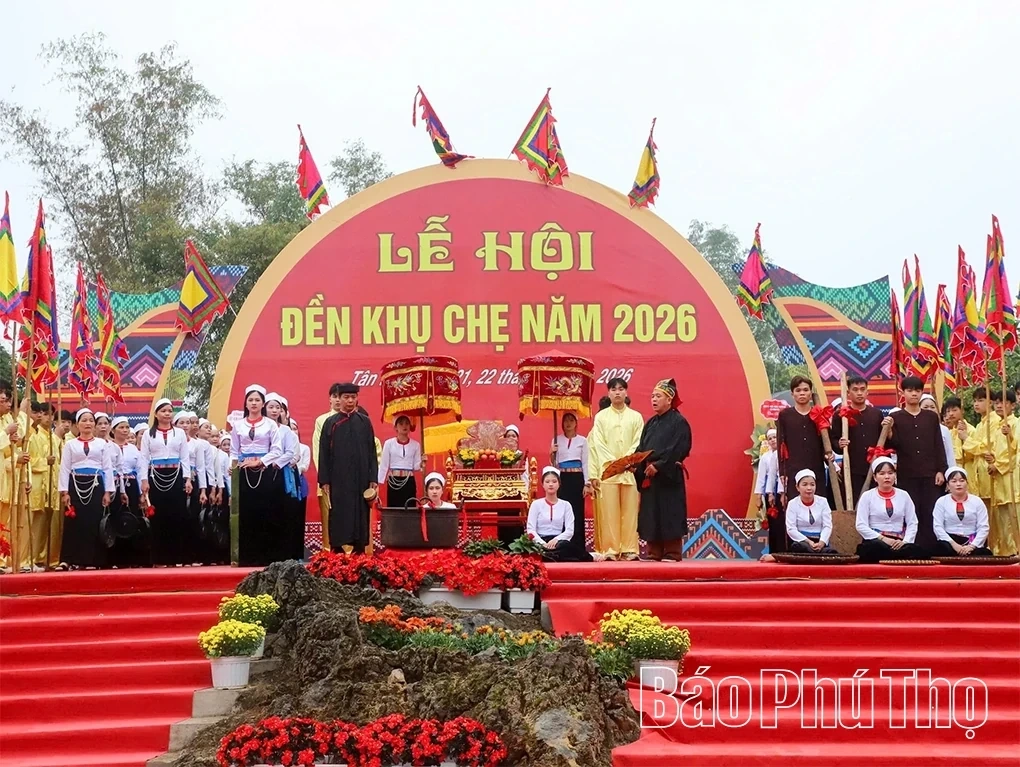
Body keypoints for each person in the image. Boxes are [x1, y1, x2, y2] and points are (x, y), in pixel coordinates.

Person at [230, 384, 289, 566]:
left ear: (262, 403)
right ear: (246, 404)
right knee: (246, 513)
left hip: (265, 471)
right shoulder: (238, 425)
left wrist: (261, 461)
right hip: (244, 472)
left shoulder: (271, 424)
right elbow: (233, 450)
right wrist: (233, 465)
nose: (254, 403)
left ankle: (267, 556)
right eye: (251, 400)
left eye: (257, 400)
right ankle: (247, 557)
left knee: (267, 511)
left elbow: (277, 449)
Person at [635, 378, 693, 562]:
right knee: (651, 513)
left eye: (658, 396)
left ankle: (672, 553)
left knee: (670, 513)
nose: (654, 399)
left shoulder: (679, 422)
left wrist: (658, 466)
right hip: (649, 477)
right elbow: (642, 447)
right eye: (652, 396)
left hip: (669, 477)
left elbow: (678, 448)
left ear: (669, 399)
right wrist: (634, 462)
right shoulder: (650, 423)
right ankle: (654, 552)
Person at [887, 377, 947, 551]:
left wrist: (941, 470)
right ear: (902, 393)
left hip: (930, 472)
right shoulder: (895, 417)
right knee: (909, 511)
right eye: (910, 390)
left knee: (930, 511)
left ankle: (931, 549)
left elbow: (938, 445)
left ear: (921, 392)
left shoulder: (930, 417)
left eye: (917, 390)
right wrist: (890, 432)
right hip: (907, 472)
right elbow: (893, 445)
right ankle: (910, 548)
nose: (914, 394)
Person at [587, 378, 644, 561]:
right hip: (609, 472)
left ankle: (629, 549)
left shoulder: (636, 417)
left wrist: (627, 461)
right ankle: (611, 549)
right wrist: (611, 464)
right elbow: (598, 444)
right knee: (609, 512)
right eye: (613, 389)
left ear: (626, 392)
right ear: (608, 393)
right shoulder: (601, 417)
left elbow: (638, 442)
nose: (617, 392)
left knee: (630, 512)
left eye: (621, 389)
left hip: (629, 471)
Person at [318, 382, 378, 554]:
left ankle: (359, 551)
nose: (350, 400)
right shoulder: (331, 423)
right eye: (346, 397)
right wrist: (325, 481)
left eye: (353, 397)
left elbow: (372, 451)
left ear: (357, 398)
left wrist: (373, 478)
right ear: (339, 398)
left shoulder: (365, 422)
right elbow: (323, 453)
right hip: (339, 480)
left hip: (361, 480)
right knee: (339, 514)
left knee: (360, 514)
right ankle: (336, 551)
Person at [775, 375, 827, 555]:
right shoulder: (785, 416)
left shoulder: (819, 414)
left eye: (805, 390)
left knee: (818, 507)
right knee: (793, 509)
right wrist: (783, 473)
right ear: (792, 394)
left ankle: (820, 547)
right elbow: (781, 446)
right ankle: (794, 549)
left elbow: (826, 442)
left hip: (816, 469)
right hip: (793, 469)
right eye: (798, 390)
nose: (802, 393)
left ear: (811, 393)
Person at [58, 409, 115, 569]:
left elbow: (107, 467)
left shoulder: (102, 444)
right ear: (77, 424)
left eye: (91, 420)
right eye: (84, 420)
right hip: (75, 484)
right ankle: (68, 559)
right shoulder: (70, 445)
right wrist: (64, 491)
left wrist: (108, 491)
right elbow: (65, 468)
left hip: (96, 484)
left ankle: (96, 559)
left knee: (95, 521)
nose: (88, 423)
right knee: (74, 522)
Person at [962, 388, 1015, 555]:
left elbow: (986, 448)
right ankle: (993, 548)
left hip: (992, 472)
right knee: (988, 517)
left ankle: (1005, 550)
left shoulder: (995, 422)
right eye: (975, 401)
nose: (976, 404)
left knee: (999, 516)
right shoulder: (980, 424)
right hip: (980, 475)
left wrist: (966, 439)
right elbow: (972, 451)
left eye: (981, 400)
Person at [141, 398, 192, 567]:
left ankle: (176, 558)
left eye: (170, 411)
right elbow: (143, 458)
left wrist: (187, 479)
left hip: (175, 475)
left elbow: (184, 457)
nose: (167, 414)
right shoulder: (148, 434)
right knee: (158, 518)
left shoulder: (179, 433)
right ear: (156, 414)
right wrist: (144, 480)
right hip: (156, 476)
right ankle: (158, 558)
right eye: (163, 411)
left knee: (176, 516)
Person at [855, 455, 928, 562]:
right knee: (872, 549)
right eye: (882, 473)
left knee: (918, 551)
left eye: (890, 473)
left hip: (899, 542)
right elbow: (861, 525)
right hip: (877, 541)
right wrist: (883, 539)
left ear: (895, 475)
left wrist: (905, 541)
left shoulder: (904, 495)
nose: (887, 477)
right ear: (875, 477)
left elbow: (912, 522)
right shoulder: (867, 496)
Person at [830, 375, 889, 502]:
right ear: (848, 393)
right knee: (853, 503)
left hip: (873, 468)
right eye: (855, 390)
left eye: (862, 389)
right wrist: (839, 444)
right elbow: (833, 440)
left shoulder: (876, 414)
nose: (859, 393)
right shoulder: (840, 416)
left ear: (867, 392)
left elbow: (884, 442)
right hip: (851, 469)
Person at [550, 411, 592, 560]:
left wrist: (587, 483)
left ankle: (579, 548)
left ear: (576, 423)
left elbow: (586, 462)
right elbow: (554, 465)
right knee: (563, 512)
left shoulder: (583, 441)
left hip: (577, 478)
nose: (568, 423)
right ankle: (562, 547)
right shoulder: (556, 439)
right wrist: (552, 453)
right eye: (565, 420)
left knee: (577, 512)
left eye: (571, 420)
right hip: (563, 479)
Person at [266, 393, 303, 561]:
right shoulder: (259, 428)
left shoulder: (286, 430)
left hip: (281, 471)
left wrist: (274, 462)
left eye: (278, 408)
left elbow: (293, 454)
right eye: (271, 407)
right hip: (260, 472)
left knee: (283, 511)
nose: (274, 411)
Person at [107, 415, 148, 568]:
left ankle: (133, 557)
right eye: (121, 427)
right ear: (113, 430)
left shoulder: (134, 450)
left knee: (132, 519)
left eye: (126, 427)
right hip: (115, 484)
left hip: (131, 484)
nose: (124, 430)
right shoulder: (108, 447)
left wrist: (142, 493)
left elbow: (140, 470)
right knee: (116, 518)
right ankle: (115, 558)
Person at [27, 402, 62, 571]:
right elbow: (28, 461)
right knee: (38, 525)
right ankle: (34, 558)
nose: (48, 418)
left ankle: (51, 559)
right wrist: (44, 462)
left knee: (53, 526)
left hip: (54, 486)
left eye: (51, 415)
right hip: (38, 485)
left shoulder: (56, 439)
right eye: (45, 414)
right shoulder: (33, 436)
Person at [312, 384, 347, 552]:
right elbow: (319, 451)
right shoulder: (322, 420)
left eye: (341, 396)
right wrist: (324, 477)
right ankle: (328, 555)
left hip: (347, 481)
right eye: (335, 396)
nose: (338, 400)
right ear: (330, 399)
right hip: (328, 480)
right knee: (329, 519)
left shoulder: (353, 419)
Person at [932, 467, 992, 557]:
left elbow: (983, 527)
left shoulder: (977, 501)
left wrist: (972, 546)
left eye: (962, 480)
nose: (958, 484)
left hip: (972, 541)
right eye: (954, 481)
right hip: (950, 542)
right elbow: (938, 527)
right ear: (948, 485)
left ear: (967, 483)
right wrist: (954, 545)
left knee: (984, 554)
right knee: (941, 548)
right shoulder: (941, 502)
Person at [525, 467, 579, 561]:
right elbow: (531, 529)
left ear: (559, 484)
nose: (551, 484)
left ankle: (552, 557)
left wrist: (556, 540)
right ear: (542, 484)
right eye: (547, 481)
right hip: (540, 541)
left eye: (554, 481)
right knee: (533, 550)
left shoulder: (566, 505)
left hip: (558, 542)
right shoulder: (536, 504)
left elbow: (569, 531)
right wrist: (543, 544)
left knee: (567, 546)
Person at [784, 469, 836, 554]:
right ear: (797, 487)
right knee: (799, 547)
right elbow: (791, 529)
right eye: (804, 485)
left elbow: (827, 525)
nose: (809, 488)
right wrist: (808, 542)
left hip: (819, 541)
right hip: (802, 541)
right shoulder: (792, 504)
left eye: (812, 485)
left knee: (830, 552)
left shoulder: (823, 502)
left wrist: (822, 542)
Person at [379, 415, 424, 509]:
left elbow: (416, 467)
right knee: (394, 509)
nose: (405, 426)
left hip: (409, 481)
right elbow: (384, 464)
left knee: (409, 508)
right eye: (401, 423)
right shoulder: (389, 443)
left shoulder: (415, 445)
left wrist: (422, 462)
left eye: (407, 423)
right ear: (395, 427)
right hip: (394, 481)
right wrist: (378, 482)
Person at [920, 394, 955, 473]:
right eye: (925, 407)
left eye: (932, 407)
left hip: (940, 473)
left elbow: (950, 455)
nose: (929, 409)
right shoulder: (914, 428)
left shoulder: (944, 430)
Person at [755, 429, 780, 535]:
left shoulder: (785, 453)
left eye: (774, 437)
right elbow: (761, 477)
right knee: (773, 520)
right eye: (770, 439)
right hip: (770, 490)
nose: (773, 440)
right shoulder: (765, 457)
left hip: (782, 489)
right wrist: (758, 496)